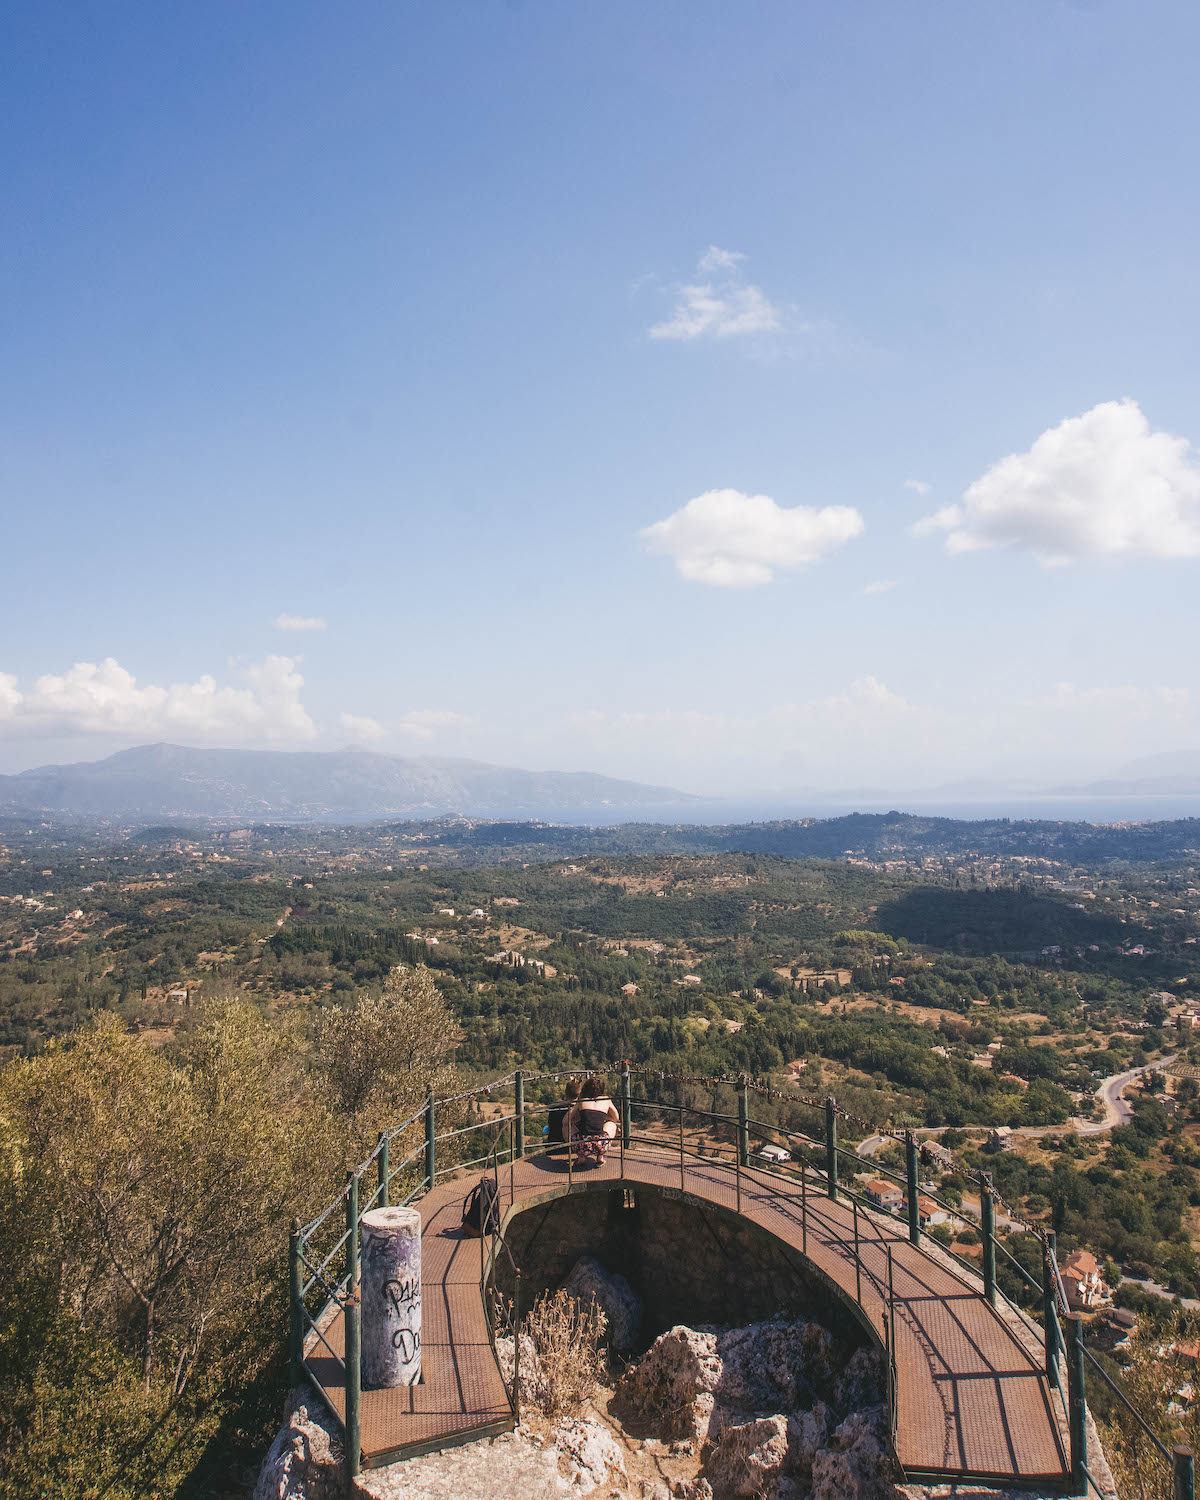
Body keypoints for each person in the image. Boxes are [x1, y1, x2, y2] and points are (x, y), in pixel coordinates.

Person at [568, 1075, 620, 1165]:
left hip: (581, 1145)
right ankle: (600, 1157)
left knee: (570, 1125)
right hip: (600, 1145)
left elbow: (570, 1118)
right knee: (612, 1124)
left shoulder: (581, 1100)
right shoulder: (606, 1100)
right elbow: (616, 1118)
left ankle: (581, 1157)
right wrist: (604, 1117)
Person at [545, 1077, 581, 1156]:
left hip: (554, 1148)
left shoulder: (554, 1108)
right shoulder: (581, 1110)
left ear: (565, 1092)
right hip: (574, 1149)